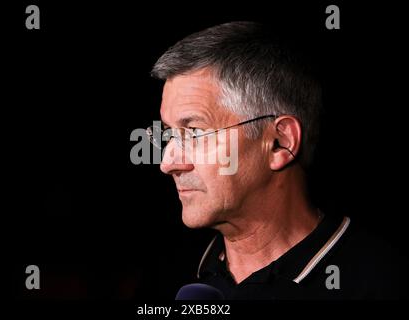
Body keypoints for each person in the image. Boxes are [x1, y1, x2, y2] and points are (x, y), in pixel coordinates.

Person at [147, 21, 408, 299]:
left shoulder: (384, 282)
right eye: (170, 135)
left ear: (279, 143)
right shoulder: (165, 276)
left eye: (195, 132)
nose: (168, 162)